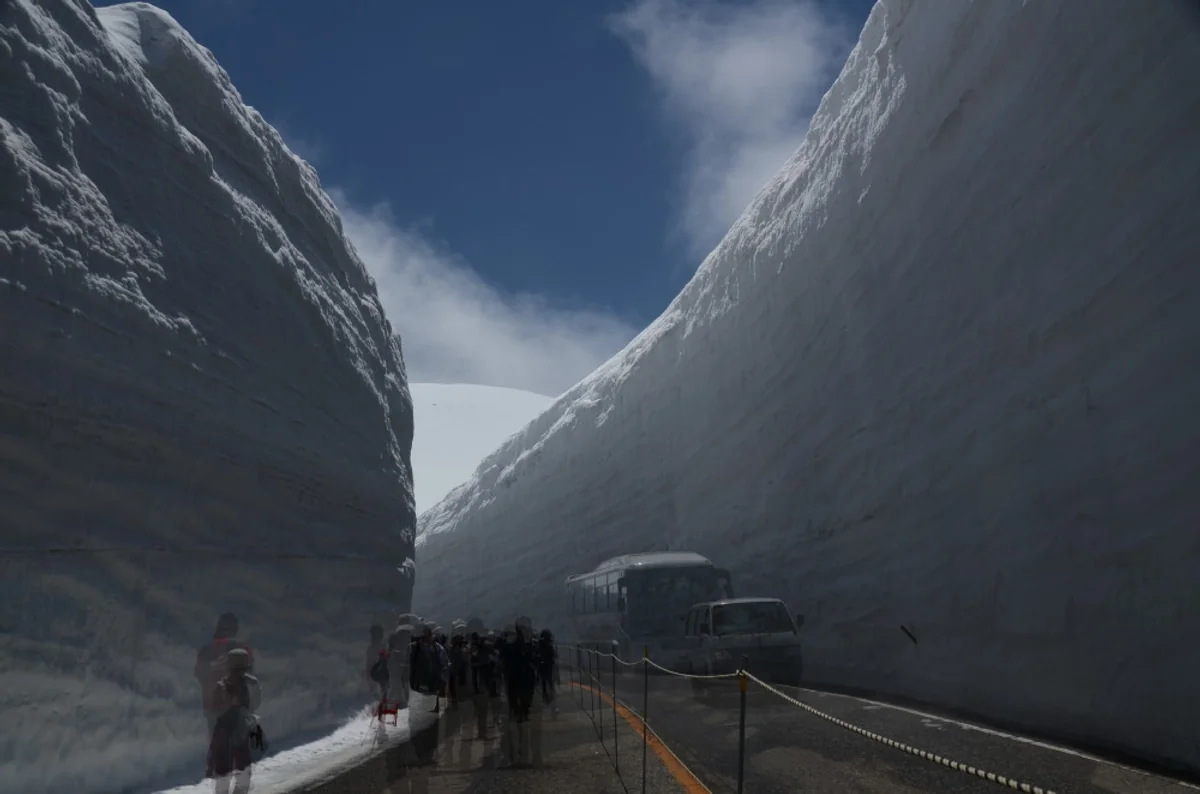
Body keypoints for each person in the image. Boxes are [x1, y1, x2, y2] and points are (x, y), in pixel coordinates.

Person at [206, 648, 264, 794]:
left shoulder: (245, 685)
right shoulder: (223, 687)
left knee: (240, 768)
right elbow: (214, 710)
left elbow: (254, 704)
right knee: (227, 770)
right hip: (228, 730)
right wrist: (229, 704)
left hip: (237, 729)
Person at [194, 613, 254, 738]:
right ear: (235, 629)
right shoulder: (242, 648)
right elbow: (249, 675)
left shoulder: (206, 649)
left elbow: (198, 673)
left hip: (212, 704)